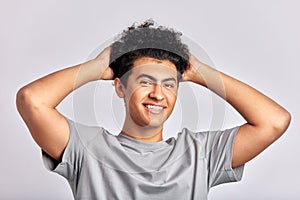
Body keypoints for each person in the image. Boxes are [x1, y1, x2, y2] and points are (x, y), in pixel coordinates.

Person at [16, 20, 291, 200]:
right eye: (145, 81)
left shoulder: (201, 153)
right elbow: (32, 100)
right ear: (120, 88)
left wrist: (200, 73)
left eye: (169, 84)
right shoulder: (85, 148)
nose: (158, 94)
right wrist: (98, 66)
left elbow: (275, 121)